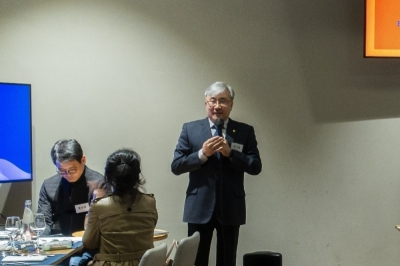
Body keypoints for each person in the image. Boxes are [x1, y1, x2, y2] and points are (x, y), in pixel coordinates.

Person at [171, 81, 262, 266]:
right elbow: (176, 165)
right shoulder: (190, 129)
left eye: (223, 101)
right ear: (206, 103)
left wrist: (231, 154)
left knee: (227, 261)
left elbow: (255, 166)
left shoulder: (244, 131)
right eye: (213, 101)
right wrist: (202, 154)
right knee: (197, 260)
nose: (217, 106)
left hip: (230, 207)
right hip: (199, 207)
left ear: (231, 104)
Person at [37, 139, 108, 266]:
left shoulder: (98, 183)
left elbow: (103, 225)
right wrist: (39, 241)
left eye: (72, 170)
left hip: (86, 246)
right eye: (62, 171)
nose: (68, 175)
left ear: (83, 160)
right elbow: (45, 221)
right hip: (56, 245)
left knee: (73, 263)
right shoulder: (49, 186)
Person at [82, 148, 158, 266]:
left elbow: (89, 243)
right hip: (145, 263)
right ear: (137, 175)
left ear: (108, 177)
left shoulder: (99, 206)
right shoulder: (150, 202)